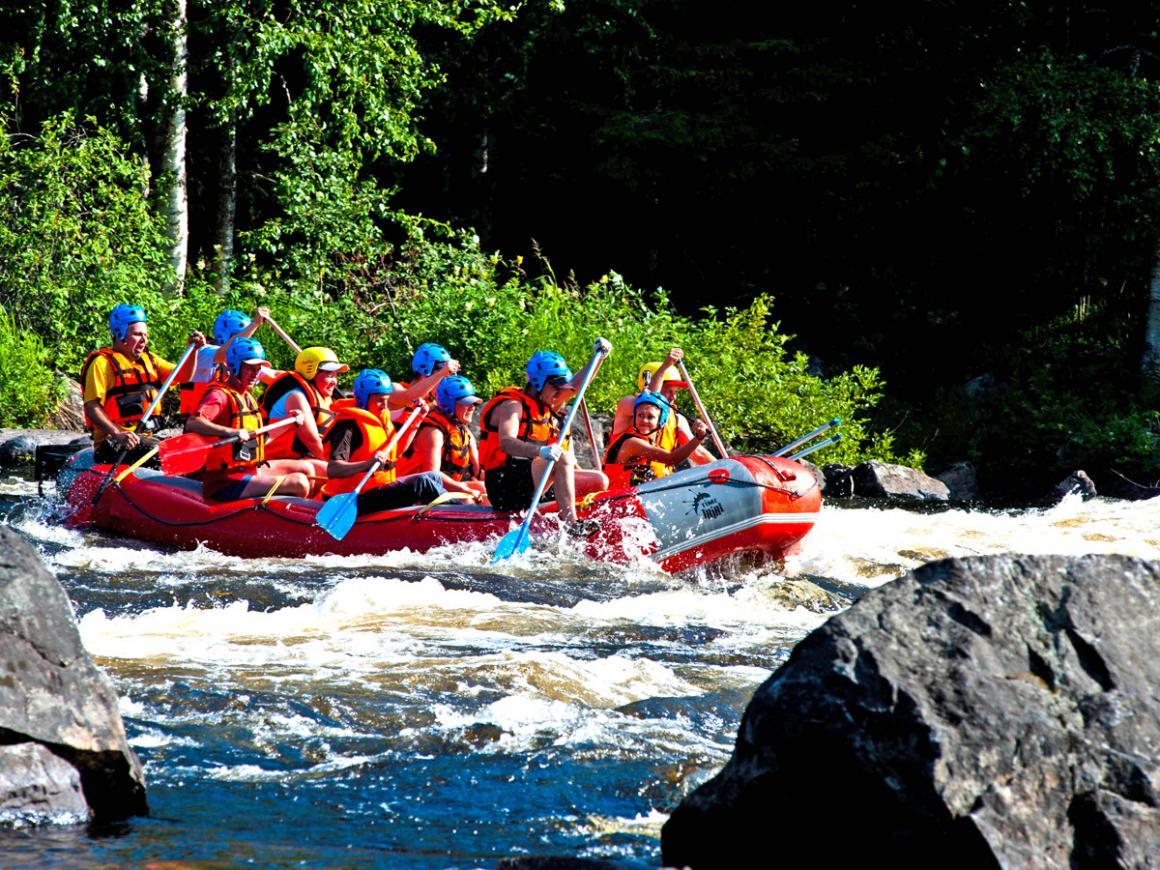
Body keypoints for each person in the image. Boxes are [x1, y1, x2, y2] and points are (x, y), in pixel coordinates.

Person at [478, 344, 610, 533]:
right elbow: (506, 442)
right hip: (504, 484)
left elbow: (577, 386)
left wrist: (599, 358)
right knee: (562, 458)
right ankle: (571, 524)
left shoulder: (547, 401)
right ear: (539, 383)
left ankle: (567, 515)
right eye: (556, 387)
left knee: (598, 481)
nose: (559, 393)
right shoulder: (512, 405)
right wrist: (541, 451)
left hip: (530, 480)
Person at [183, 338, 315, 500]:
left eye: (258, 369)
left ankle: (306, 517)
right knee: (299, 482)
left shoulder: (247, 397)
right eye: (250, 368)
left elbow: (259, 439)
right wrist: (231, 432)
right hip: (225, 481)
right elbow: (193, 422)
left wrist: (289, 423)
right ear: (235, 366)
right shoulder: (220, 395)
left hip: (248, 470)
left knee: (306, 469)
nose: (255, 374)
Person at [81, 303, 205, 465]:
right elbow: (92, 407)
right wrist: (118, 433)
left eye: (145, 335)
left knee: (191, 450)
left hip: (144, 440)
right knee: (164, 454)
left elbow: (184, 375)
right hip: (113, 443)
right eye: (138, 335)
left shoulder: (150, 360)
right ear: (120, 334)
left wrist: (193, 350)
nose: (143, 340)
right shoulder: (102, 364)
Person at [321, 368, 445, 513]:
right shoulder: (348, 425)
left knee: (433, 477)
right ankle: (462, 515)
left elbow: (397, 451)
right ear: (364, 398)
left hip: (378, 490)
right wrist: (367, 464)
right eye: (380, 400)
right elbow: (333, 469)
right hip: (351, 499)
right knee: (422, 484)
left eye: (387, 400)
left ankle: (445, 516)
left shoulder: (381, 418)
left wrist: (418, 420)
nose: (385, 406)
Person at [611, 347, 715, 466]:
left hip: (660, 482)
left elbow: (698, 453)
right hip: (626, 482)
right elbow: (650, 399)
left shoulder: (677, 419)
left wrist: (727, 467)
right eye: (668, 390)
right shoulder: (628, 405)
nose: (673, 397)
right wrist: (666, 365)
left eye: (675, 392)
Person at [396, 375, 488, 502]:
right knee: (467, 498)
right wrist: (464, 490)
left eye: (473, 403)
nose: (472, 407)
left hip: (441, 489)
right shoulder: (433, 433)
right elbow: (432, 476)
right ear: (448, 404)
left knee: (483, 488)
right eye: (466, 403)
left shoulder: (464, 433)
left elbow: (478, 473)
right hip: (414, 492)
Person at [260, 346, 347, 477]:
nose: (334, 381)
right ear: (310, 372)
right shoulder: (296, 396)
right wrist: (336, 467)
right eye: (329, 375)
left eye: (335, 375)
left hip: (303, 459)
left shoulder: (327, 397)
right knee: (329, 471)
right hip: (275, 460)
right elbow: (311, 440)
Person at [178, 306, 278, 418]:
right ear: (224, 334)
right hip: (200, 422)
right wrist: (254, 324)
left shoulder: (241, 362)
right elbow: (226, 351)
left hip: (226, 423)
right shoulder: (201, 352)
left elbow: (274, 375)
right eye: (239, 336)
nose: (244, 341)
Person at [602, 391, 710, 489]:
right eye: (640, 415)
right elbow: (671, 458)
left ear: (660, 421)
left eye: (650, 417)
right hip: (615, 502)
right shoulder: (632, 443)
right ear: (634, 417)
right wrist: (698, 438)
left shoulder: (650, 443)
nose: (644, 420)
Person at [388, 342, 462, 419]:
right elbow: (409, 398)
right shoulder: (393, 389)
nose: (446, 382)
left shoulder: (433, 404)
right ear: (425, 372)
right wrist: (441, 373)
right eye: (445, 376)